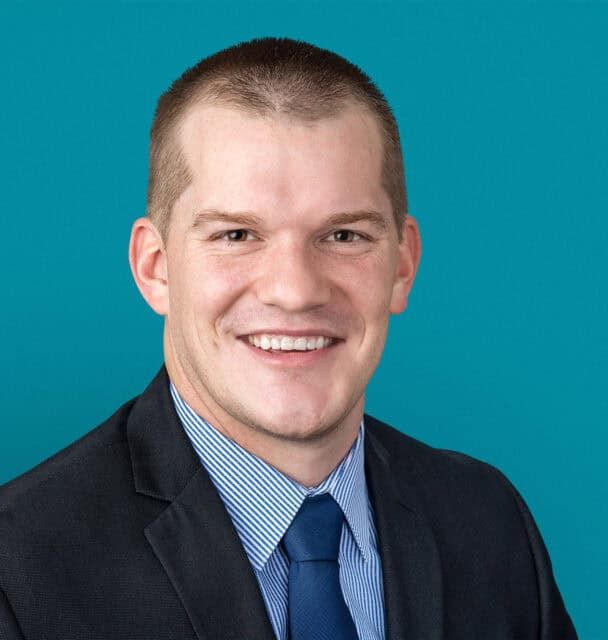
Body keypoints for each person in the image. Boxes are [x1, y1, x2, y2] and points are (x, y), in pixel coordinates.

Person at [0, 37, 576, 640]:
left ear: (402, 266)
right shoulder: (18, 573)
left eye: (344, 236)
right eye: (237, 235)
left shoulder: (489, 522)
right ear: (156, 268)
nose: (295, 291)